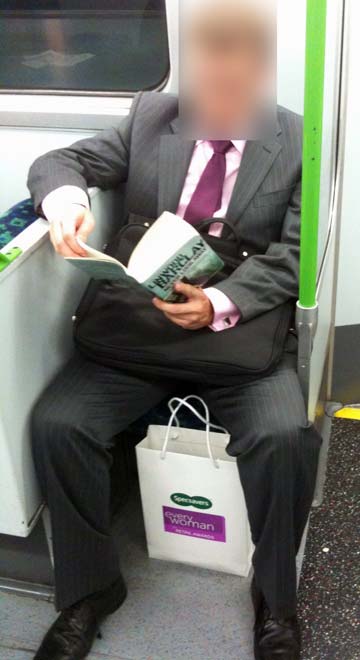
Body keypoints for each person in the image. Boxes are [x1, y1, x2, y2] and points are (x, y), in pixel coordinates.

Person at [27, 1, 322, 658]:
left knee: (285, 439)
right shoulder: (151, 115)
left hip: (236, 328)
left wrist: (219, 303)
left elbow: (295, 257)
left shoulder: (299, 140)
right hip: (138, 328)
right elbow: (61, 162)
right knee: (59, 424)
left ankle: (275, 598)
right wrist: (66, 205)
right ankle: (90, 589)